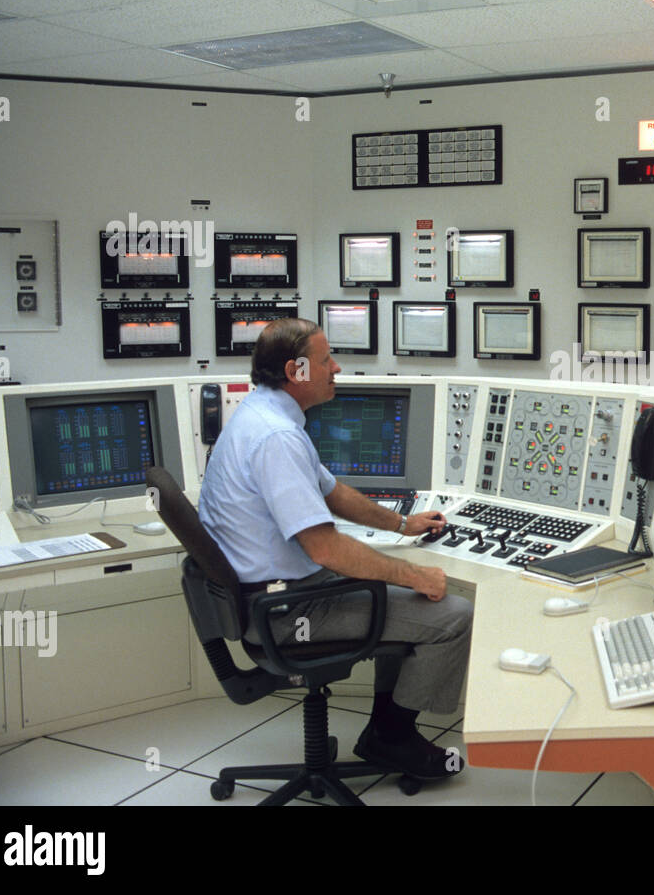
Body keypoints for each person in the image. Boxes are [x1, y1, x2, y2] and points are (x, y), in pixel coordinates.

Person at [199, 317, 471, 782]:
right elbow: (326, 549)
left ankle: (387, 731)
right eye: (326, 361)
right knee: (451, 615)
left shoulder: (262, 415)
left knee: (396, 590)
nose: (336, 368)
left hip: (270, 598)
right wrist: (416, 577)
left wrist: (404, 524)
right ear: (296, 371)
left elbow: (330, 491)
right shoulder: (277, 438)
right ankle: (392, 736)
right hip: (288, 613)